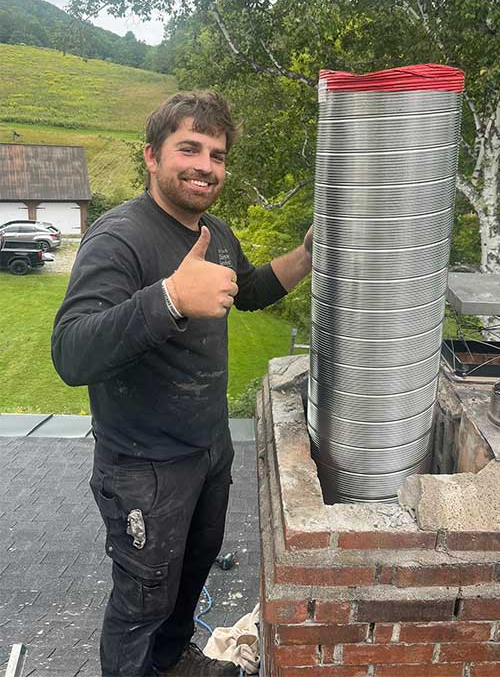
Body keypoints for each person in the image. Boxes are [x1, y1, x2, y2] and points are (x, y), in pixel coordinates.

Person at [51, 90, 312, 677]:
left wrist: (306, 257)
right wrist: (169, 298)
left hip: (206, 450)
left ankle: (172, 662)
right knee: (141, 601)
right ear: (152, 156)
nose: (205, 165)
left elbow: (244, 289)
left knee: (190, 575)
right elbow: (70, 352)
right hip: (143, 466)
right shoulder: (119, 238)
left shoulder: (214, 234)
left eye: (217, 155)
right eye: (188, 148)